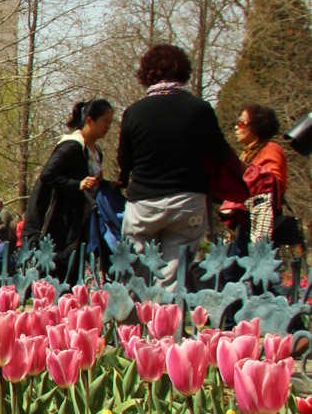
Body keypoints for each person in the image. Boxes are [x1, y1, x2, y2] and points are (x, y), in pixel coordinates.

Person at [117, 44, 238, 288]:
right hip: (187, 201)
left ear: (147, 74)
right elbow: (219, 152)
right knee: (173, 278)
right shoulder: (200, 110)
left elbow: (125, 162)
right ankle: (168, 324)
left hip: (144, 203)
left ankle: (132, 325)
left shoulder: (134, 113)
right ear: (184, 72)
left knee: (135, 273)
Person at [24, 99, 114, 277]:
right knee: (57, 273)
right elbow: (48, 176)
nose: (108, 127)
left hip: (78, 222)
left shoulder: (96, 153)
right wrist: (77, 184)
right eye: (105, 121)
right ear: (90, 120)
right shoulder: (71, 147)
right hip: (59, 223)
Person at [232, 104, 290, 246]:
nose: (236, 127)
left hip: (263, 221)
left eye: (241, 123)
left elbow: (273, 183)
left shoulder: (271, 149)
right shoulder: (247, 153)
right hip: (246, 220)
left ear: (256, 126)